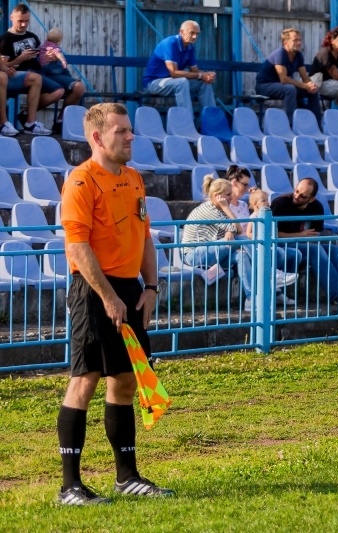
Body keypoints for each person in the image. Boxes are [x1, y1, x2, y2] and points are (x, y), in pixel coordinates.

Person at [57, 102, 173, 505]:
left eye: (129, 130)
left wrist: (151, 287)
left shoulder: (135, 179)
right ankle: (70, 486)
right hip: (92, 291)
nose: (130, 137)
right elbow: (78, 245)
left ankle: (128, 477)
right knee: (85, 379)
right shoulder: (81, 181)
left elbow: (144, 237)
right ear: (97, 137)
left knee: (125, 380)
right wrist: (107, 296)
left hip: (129, 290)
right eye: (121, 131)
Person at [270, 178, 338, 305]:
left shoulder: (317, 207)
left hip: (301, 244)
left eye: (302, 196)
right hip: (282, 245)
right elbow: (272, 233)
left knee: (334, 250)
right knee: (315, 249)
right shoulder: (280, 203)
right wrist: (299, 235)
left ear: (311, 199)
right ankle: (337, 295)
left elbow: (315, 234)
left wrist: (304, 237)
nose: (297, 196)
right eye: (296, 191)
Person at [0, 3, 69, 135]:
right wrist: (20, 58)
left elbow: (40, 58)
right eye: (20, 21)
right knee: (35, 78)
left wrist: (49, 57)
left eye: (26, 21)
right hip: (15, 75)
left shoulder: (32, 37)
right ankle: (29, 123)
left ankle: (27, 119)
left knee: (59, 91)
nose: (23, 24)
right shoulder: (5, 39)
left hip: (37, 73)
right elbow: (4, 67)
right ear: (11, 18)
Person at [181, 176, 253, 302]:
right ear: (217, 196)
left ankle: (250, 298)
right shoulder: (209, 209)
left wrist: (230, 230)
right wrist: (226, 208)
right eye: (228, 194)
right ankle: (269, 271)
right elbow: (239, 229)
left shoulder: (218, 209)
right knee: (239, 240)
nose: (232, 197)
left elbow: (235, 228)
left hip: (210, 251)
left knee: (242, 256)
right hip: (194, 255)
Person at [142, 20, 216, 113]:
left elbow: (194, 70)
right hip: (153, 83)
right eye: (192, 33)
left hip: (173, 83)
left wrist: (207, 75)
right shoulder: (170, 43)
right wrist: (201, 75)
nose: (195, 37)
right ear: (181, 31)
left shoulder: (190, 47)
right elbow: (174, 73)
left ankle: (212, 121)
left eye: (197, 34)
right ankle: (187, 121)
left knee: (205, 83)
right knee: (182, 82)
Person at [245, 189, 300, 306]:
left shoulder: (269, 217)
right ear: (255, 205)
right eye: (263, 201)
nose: (267, 203)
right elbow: (248, 233)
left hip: (270, 244)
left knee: (296, 254)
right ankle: (275, 282)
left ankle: (279, 290)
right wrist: (259, 237)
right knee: (279, 252)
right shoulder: (254, 217)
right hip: (259, 247)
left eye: (267, 200)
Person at [255, 28, 321, 124]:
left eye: (300, 40)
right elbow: (284, 79)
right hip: (264, 86)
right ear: (285, 42)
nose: (299, 43)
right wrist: (305, 86)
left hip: (281, 85)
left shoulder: (298, 55)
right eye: (295, 40)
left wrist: (311, 85)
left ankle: (316, 125)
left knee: (313, 91)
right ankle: (291, 124)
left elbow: (305, 78)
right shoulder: (280, 54)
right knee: (290, 89)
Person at [35, 27, 86, 133]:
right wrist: (62, 60)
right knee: (72, 87)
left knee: (78, 89)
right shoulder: (53, 47)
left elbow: (40, 54)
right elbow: (58, 54)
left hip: (50, 73)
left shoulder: (43, 46)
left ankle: (62, 121)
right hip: (49, 74)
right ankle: (60, 121)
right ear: (59, 41)